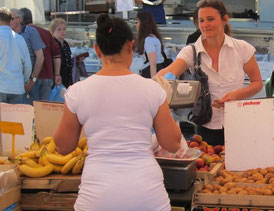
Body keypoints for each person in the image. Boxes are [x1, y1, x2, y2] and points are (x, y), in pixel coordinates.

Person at [53, 14, 181, 210]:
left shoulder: (77, 92)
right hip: (147, 195)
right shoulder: (153, 89)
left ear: (97, 49)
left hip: (96, 198)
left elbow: (63, 146)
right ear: (130, 46)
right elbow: (172, 144)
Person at [156, 0, 262, 146]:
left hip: (238, 122)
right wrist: (157, 81)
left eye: (210, 19)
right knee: (207, 165)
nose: (205, 24)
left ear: (225, 19)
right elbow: (169, 73)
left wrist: (235, 95)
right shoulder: (190, 52)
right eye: (201, 20)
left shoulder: (242, 49)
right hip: (205, 125)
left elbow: (257, 83)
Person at [20, 8, 62, 95]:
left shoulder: (23, 34)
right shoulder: (45, 32)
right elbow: (57, 55)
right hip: (48, 76)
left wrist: (32, 78)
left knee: (30, 107)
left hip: (32, 78)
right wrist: (57, 74)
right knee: (44, 107)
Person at [9, 8, 45, 105]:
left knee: (29, 111)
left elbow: (40, 56)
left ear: (19, 19)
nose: (8, 21)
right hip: (11, 82)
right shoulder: (7, 34)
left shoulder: (30, 32)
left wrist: (33, 79)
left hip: (28, 81)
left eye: (11, 18)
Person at [0, 7, 32, 103]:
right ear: (10, 20)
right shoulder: (20, 39)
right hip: (17, 87)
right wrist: (24, 80)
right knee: (14, 118)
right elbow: (28, 66)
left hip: (1, 86)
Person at [136, 11, 165, 78]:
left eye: (137, 21)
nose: (136, 24)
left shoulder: (149, 40)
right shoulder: (152, 37)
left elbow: (153, 63)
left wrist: (153, 80)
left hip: (150, 72)